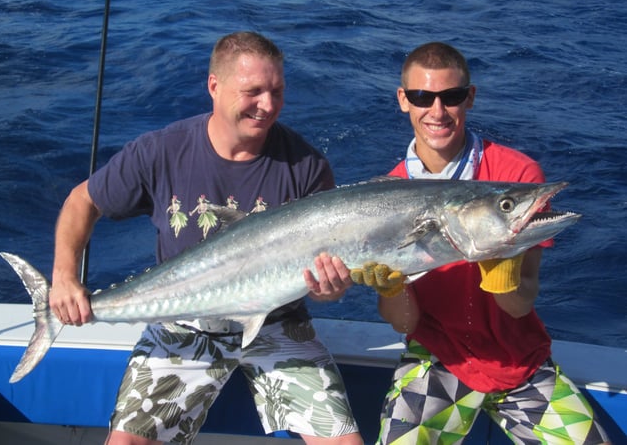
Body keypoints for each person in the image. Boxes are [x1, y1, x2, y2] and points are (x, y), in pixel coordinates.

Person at [49, 31, 363, 445]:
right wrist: (64, 276)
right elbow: (81, 202)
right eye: (253, 92)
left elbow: (326, 280)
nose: (268, 106)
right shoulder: (161, 151)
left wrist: (329, 289)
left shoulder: (305, 165)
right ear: (214, 85)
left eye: (277, 91)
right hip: (184, 324)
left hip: (278, 323)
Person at [361, 42, 610, 444]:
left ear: (470, 98)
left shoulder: (515, 173)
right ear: (404, 101)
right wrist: (394, 286)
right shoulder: (384, 199)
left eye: (452, 96)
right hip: (440, 356)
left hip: (519, 360)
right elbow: (404, 323)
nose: (437, 111)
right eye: (423, 97)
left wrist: (499, 271)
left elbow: (520, 304)